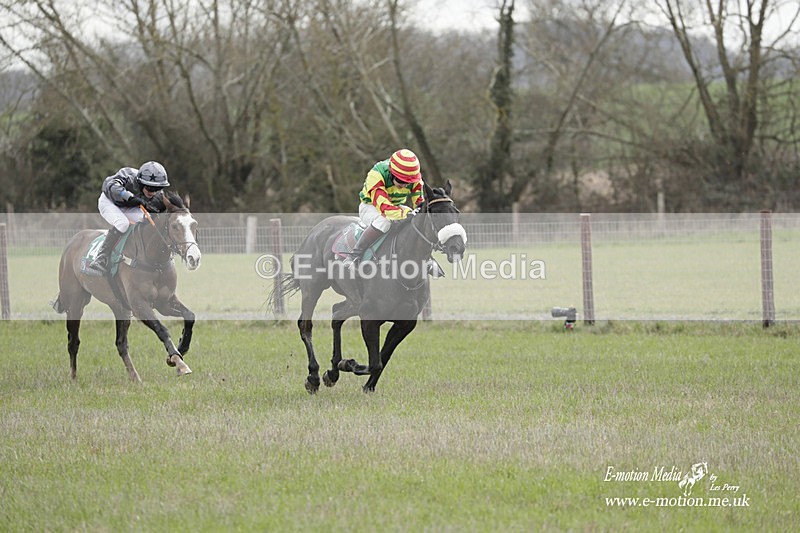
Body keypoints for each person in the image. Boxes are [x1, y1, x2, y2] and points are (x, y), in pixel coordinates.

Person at [342, 148, 425, 268]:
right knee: (384, 221)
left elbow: (419, 201)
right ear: (391, 173)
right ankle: (354, 255)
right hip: (371, 206)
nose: (405, 186)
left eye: (409, 183)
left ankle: (428, 260)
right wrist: (406, 213)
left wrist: (419, 212)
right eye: (401, 181)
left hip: (396, 206)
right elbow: (384, 207)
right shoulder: (376, 174)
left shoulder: (413, 177)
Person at [89, 161, 170, 273]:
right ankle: (101, 257)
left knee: (145, 222)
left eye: (156, 189)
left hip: (130, 206)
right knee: (122, 223)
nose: (153, 193)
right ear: (141, 183)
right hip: (109, 202)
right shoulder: (128, 175)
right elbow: (110, 186)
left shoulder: (158, 194)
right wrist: (128, 196)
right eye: (150, 189)